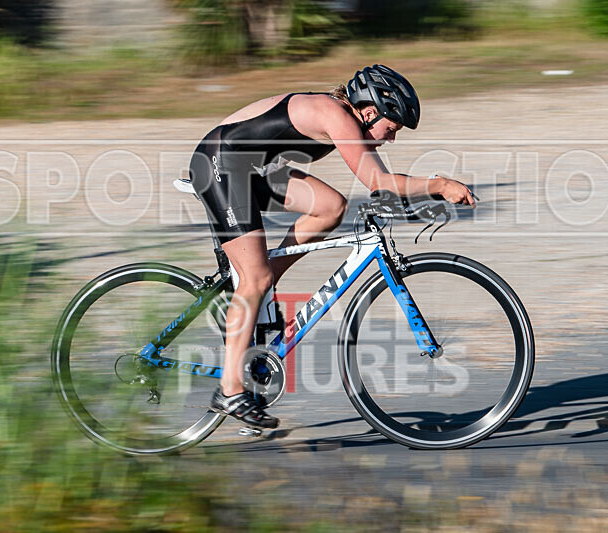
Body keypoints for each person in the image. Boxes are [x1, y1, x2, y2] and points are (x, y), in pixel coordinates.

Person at [188, 64, 476, 429]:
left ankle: (263, 283)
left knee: (330, 207)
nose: (391, 139)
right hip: (219, 165)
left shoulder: (344, 116)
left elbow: (381, 186)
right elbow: (379, 180)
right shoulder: (334, 115)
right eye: (391, 129)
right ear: (370, 112)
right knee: (254, 279)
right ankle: (229, 390)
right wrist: (440, 184)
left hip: (248, 168)